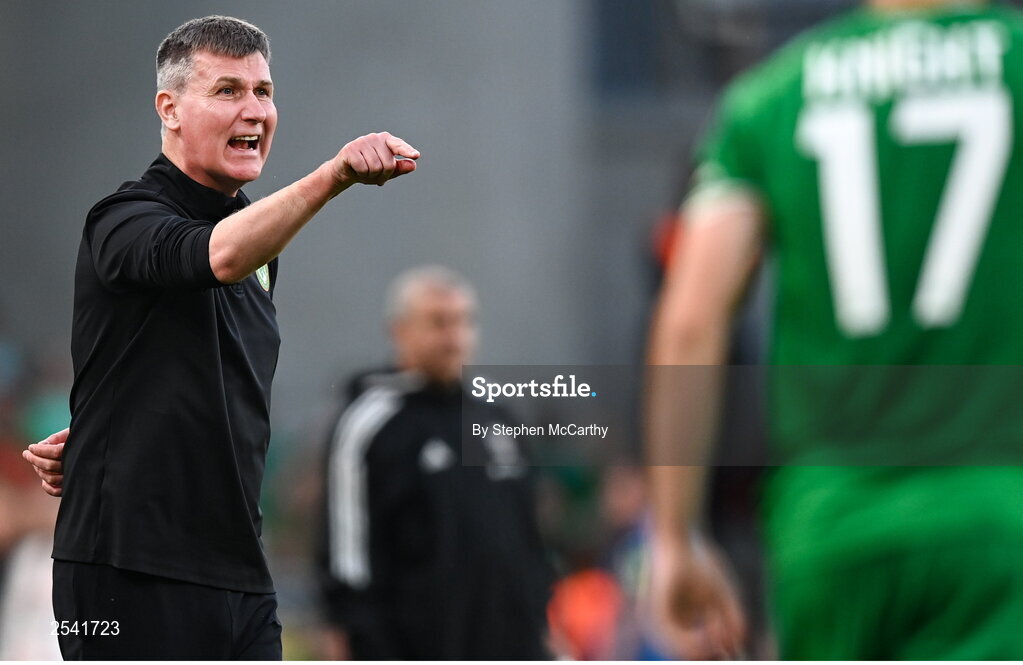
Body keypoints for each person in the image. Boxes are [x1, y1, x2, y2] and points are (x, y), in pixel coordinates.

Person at [21, 15, 418, 660]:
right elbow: (215, 256)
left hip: (236, 573)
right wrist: (335, 175)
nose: (255, 110)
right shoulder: (123, 219)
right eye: (228, 90)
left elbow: (182, 372)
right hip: (124, 571)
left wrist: (109, 437)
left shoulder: (261, 244)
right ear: (169, 109)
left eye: (263, 91)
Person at [645, 0, 1023, 659]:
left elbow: (689, 321)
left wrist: (675, 535)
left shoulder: (770, 96)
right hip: (999, 513)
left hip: (828, 526)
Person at [316, 265, 553, 660]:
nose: (455, 338)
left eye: (464, 322)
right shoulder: (371, 425)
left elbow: (530, 544)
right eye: (438, 323)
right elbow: (348, 563)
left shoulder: (497, 419)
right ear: (399, 331)